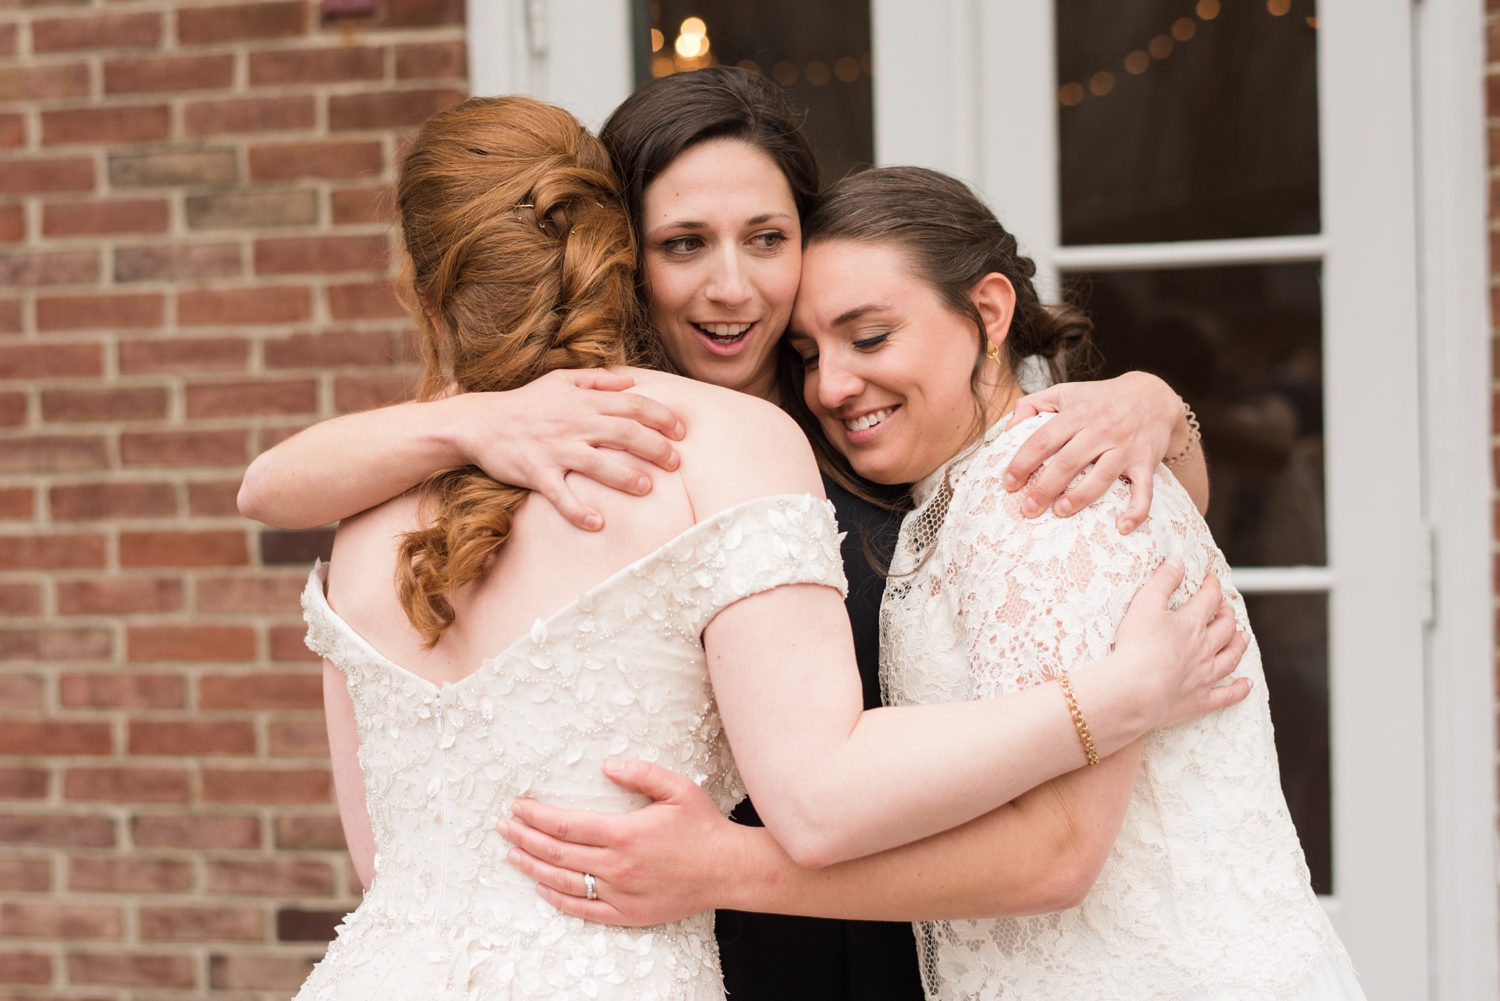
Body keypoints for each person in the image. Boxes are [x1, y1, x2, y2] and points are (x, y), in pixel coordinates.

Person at [240, 69, 1214, 1000]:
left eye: (765, 237)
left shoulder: (874, 423)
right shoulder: (589, 443)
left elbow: (1118, 522)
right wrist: (471, 420)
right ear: (620, 250)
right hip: (672, 941)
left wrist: (1158, 406)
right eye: (684, 244)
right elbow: (268, 483)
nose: (732, 287)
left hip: (875, 946)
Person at [501, 167, 1362, 1000]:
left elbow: (1059, 852)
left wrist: (722, 867)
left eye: (870, 337)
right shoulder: (976, 487)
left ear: (988, 311)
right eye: (808, 352)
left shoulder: (1041, 489)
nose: (833, 384)